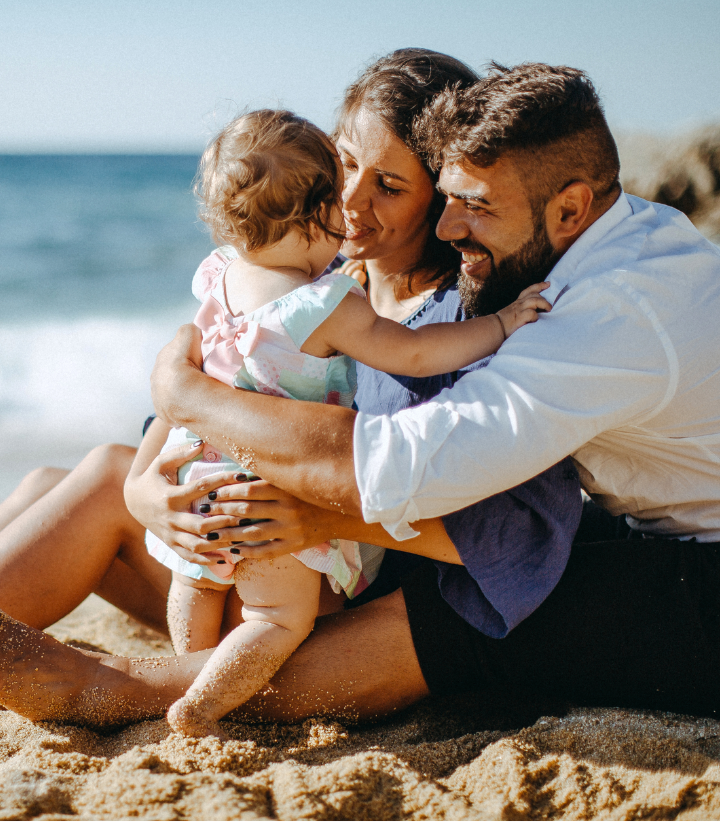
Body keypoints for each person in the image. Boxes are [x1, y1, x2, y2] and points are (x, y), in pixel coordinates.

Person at [0, 49, 574, 726]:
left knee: (102, 480)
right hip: (238, 542)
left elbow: (478, 515)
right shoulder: (318, 274)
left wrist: (226, 477)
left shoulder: (444, 326)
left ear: (438, 197)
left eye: (389, 185)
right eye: (343, 165)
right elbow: (208, 383)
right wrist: (156, 493)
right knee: (77, 481)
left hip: (321, 591)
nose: (349, 202)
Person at [0, 62, 720, 733]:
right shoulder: (612, 253)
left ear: (572, 207)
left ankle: (122, 691)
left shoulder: (612, 313)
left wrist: (178, 391)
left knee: (520, 610)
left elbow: (392, 467)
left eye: (472, 206)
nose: (448, 228)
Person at [144, 106, 547, 737]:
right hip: (269, 484)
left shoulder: (219, 274)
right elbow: (411, 351)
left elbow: (195, 368)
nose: (350, 215)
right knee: (276, 619)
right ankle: (199, 704)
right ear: (318, 216)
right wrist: (500, 324)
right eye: (340, 197)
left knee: (197, 580)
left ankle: (183, 667)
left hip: (198, 473)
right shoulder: (318, 305)